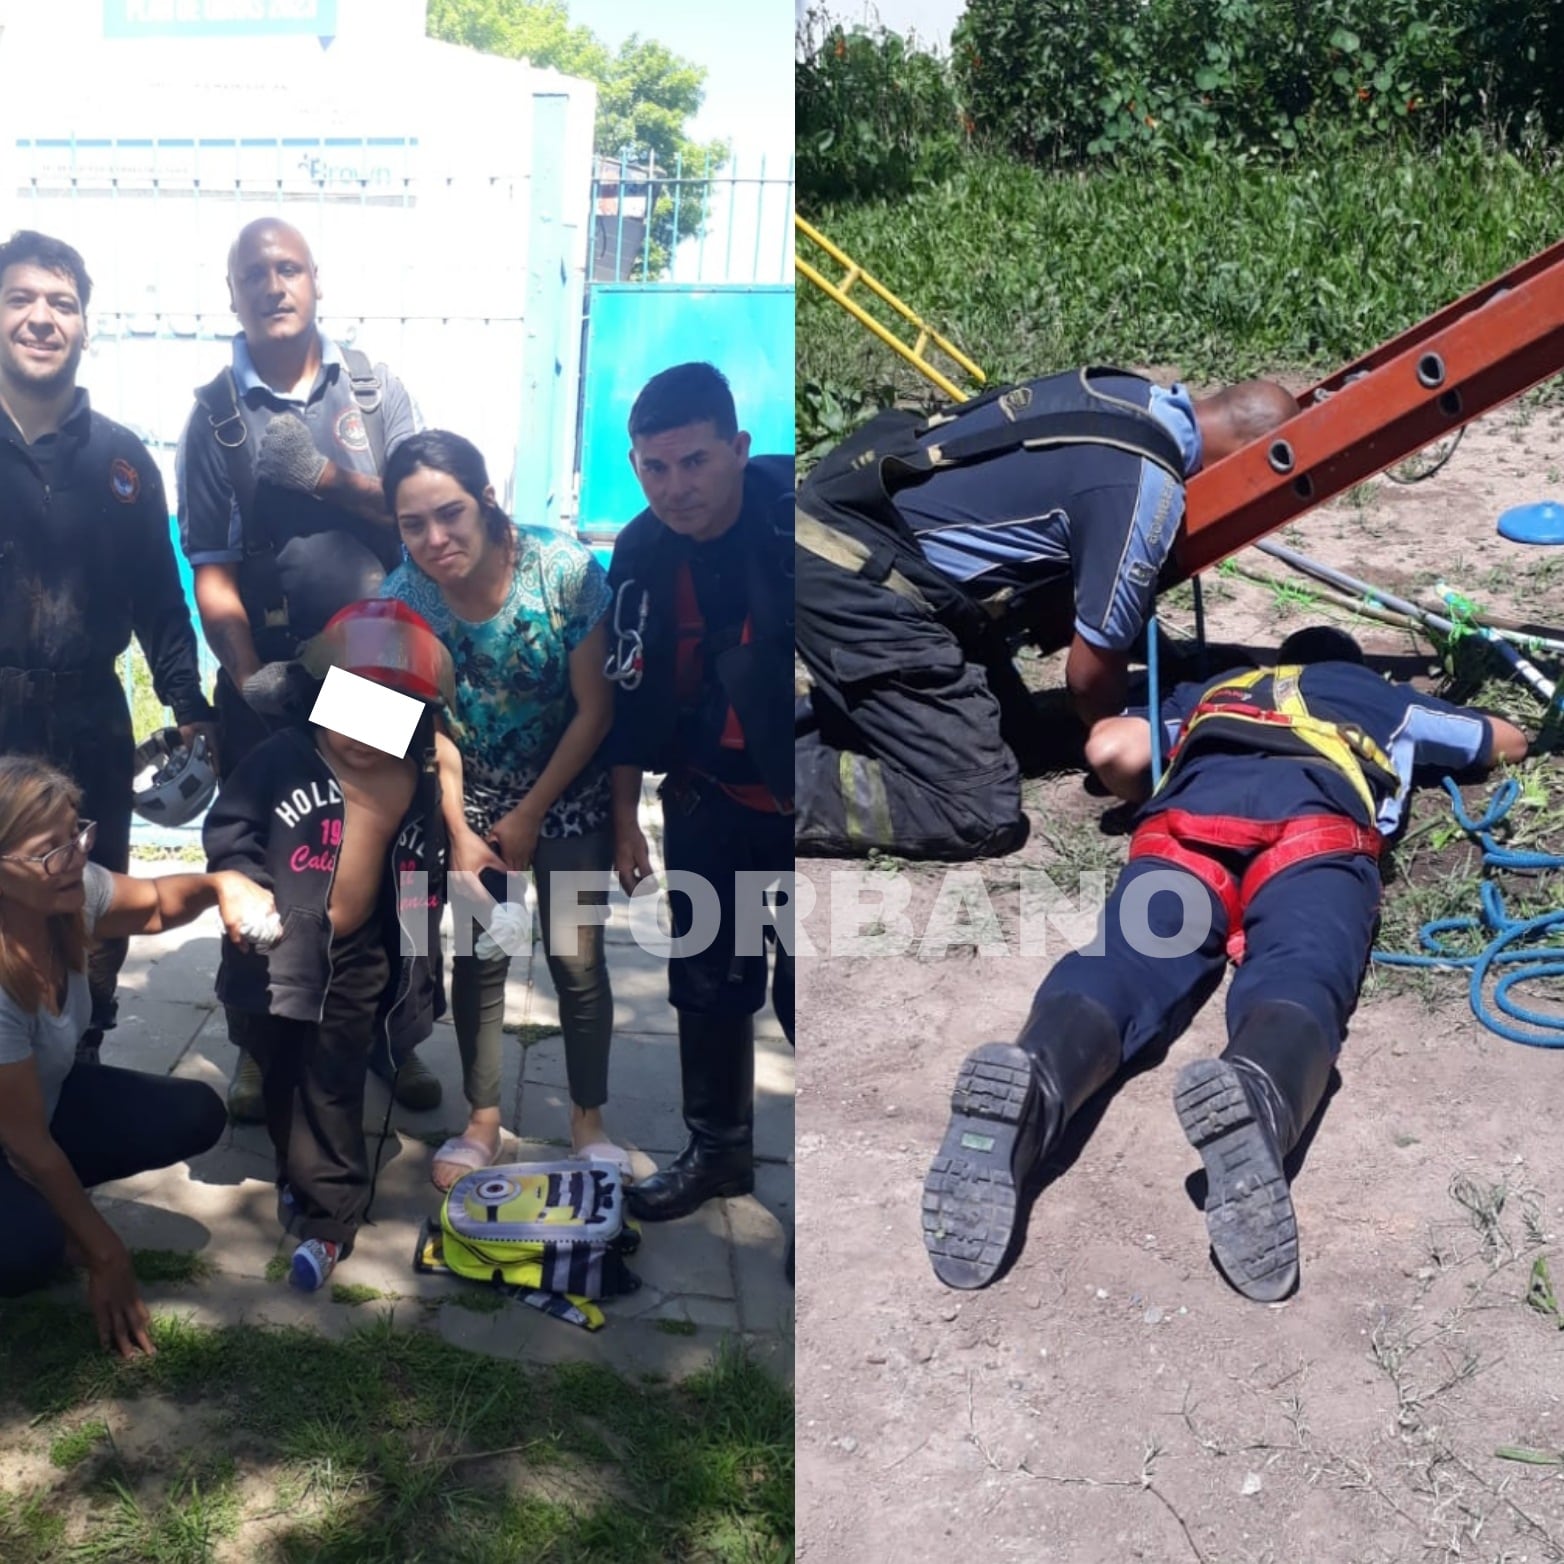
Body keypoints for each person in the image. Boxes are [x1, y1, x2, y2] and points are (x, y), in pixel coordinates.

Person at [922, 626, 1531, 1300]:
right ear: (1345, 664)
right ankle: (1258, 1091)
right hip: (1312, 827)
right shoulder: (1371, 694)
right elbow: (1507, 742)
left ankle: (1036, 1081)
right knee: (1302, 970)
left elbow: (1113, 750)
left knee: (1124, 960)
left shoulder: (1214, 689)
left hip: (1185, 825)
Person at [794, 367, 1301, 862]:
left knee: (1020, 740)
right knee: (974, 808)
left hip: (867, 528)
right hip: (852, 570)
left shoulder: (1128, 391)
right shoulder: (1146, 488)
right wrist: (1129, 764)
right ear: (1251, 456)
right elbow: (1086, 678)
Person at [176, 215, 440, 1120]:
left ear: (316, 281)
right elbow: (209, 565)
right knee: (270, 856)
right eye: (255, 273)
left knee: (401, 850)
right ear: (234, 293)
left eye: (289, 269)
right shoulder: (214, 415)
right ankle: (258, 1043)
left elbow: (423, 516)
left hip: (377, 678)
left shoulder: (371, 393)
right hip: (273, 682)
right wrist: (249, 678)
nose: (274, 285)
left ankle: (396, 1036)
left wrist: (329, 480)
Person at [379, 430, 625, 1185]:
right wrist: (458, 830)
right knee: (480, 960)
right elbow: (434, 727)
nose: (435, 538)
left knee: (576, 962)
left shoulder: (564, 571)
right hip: (476, 802)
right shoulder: (405, 598)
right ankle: (480, 1120)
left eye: (449, 513)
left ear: (487, 499)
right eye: (413, 524)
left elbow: (597, 710)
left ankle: (588, 1121)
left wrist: (535, 814)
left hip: (571, 795)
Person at [0, 229, 218, 1068]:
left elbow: (161, 596)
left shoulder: (123, 458)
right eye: (21, 299)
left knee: (87, 904)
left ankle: (78, 1063)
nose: (42, 319)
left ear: (86, 327)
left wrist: (189, 706)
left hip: (92, 717)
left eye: (62, 304)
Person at [203, 599, 453, 1292]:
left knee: (334, 1083)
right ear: (319, 695)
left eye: (388, 714)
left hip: (359, 963)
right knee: (283, 1073)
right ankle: (299, 1173)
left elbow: (419, 879)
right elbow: (229, 833)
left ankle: (330, 1218)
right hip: (276, 956)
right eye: (351, 709)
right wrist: (242, 885)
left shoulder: (411, 779)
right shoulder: (279, 759)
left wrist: (417, 968)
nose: (363, 735)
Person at [606, 362, 795, 1228]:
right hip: (703, 802)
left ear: (739, 449)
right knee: (706, 982)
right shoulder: (640, 550)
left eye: (695, 463)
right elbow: (627, 693)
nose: (675, 489)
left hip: (804, 805)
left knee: (803, 989)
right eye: (655, 468)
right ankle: (718, 1152)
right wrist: (624, 820)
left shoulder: (796, 515)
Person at [0, 754, 272, 1355]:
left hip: (33, 1110)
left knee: (196, 1112)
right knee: (29, 1250)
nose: (76, 856)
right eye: (51, 850)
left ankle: (47, 1206)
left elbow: (152, 903)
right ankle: (41, 1219)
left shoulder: (68, 896)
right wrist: (107, 1252)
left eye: (78, 834)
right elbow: (27, 1144)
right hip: (16, 1134)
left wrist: (219, 883)